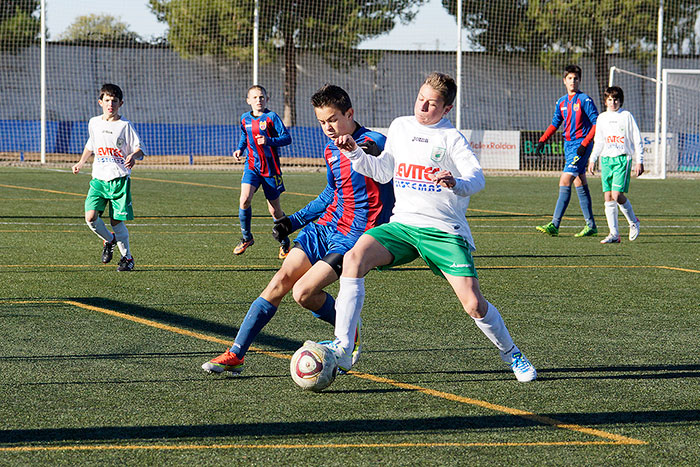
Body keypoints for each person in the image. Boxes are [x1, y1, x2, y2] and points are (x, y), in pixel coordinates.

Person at [317, 72, 537, 382]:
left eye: (431, 103)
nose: (422, 107)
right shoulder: (400, 126)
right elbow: (383, 172)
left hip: (443, 230)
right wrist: (354, 152)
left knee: (474, 304)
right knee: (354, 258)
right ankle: (343, 346)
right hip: (403, 225)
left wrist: (456, 182)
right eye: (420, 98)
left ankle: (512, 353)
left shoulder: (452, 139)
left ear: (446, 109)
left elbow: (477, 178)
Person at [202, 84, 395, 375]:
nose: (327, 127)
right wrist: (292, 221)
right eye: (321, 121)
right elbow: (330, 194)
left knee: (303, 293)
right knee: (280, 280)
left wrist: (373, 154)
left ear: (349, 113)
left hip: (355, 236)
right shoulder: (331, 149)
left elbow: (390, 167)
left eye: (332, 119)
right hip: (326, 226)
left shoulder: (375, 141)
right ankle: (236, 354)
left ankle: (347, 331)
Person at [72, 83, 144, 272]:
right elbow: (91, 145)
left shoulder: (125, 125)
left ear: (121, 103)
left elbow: (139, 148)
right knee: (90, 217)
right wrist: (80, 162)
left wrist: (133, 156)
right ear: (100, 102)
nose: (110, 104)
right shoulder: (94, 122)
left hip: (119, 180)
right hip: (98, 179)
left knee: (116, 221)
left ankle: (127, 258)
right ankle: (109, 240)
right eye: (107, 100)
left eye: (114, 101)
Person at [535, 64, 599, 237]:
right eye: (569, 78)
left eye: (576, 78)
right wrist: (542, 140)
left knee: (565, 180)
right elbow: (555, 123)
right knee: (579, 182)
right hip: (569, 146)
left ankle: (555, 224)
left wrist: (585, 143)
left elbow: (596, 123)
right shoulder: (561, 102)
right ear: (564, 81)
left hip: (581, 145)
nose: (573, 81)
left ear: (580, 81)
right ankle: (591, 225)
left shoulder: (584, 100)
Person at [233, 85, 293, 259]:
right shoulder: (244, 118)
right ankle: (247, 238)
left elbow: (287, 138)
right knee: (244, 199)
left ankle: (284, 241)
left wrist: (269, 140)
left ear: (267, 99)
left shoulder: (271, 117)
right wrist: (240, 149)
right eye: (255, 97)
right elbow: (245, 136)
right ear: (248, 100)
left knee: (275, 211)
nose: (258, 100)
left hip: (270, 169)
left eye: (261, 97)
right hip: (252, 166)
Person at [587, 86, 644, 243]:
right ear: (605, 101)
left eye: (616, 99)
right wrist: (593, 159)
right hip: (606, 160)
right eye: (610, 100)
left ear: (621, 101)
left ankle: (634, 222)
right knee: (608, 197)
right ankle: (614, 234)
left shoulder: (626, 116)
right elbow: (599, 141)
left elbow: (637, 138)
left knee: (617, 195)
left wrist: (639, 160)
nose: (613, 103)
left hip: (622, 159)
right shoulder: (602, 118)